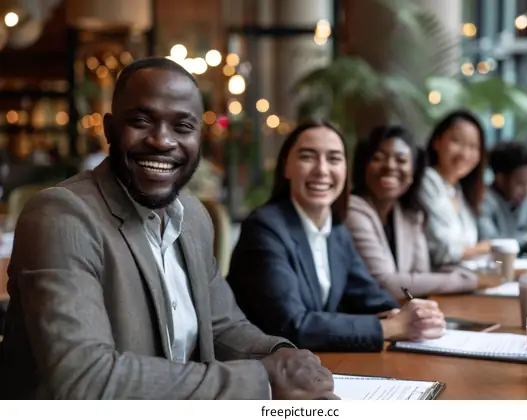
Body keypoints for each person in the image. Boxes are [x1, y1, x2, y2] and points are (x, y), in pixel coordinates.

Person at [0, 58, 337, 400]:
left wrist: (283, 358)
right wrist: (261, 381)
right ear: (110, 130)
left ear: (199, 138)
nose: (162, 141)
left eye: (182, 126)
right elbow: (86, 380)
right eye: (141, 121)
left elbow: (222, 326)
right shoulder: (61, 216)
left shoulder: (193, 216)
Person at [227, 120, 446, 353]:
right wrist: (389, 327)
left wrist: (401, 314)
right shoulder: (264, 229)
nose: (322, 170)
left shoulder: (337, 229)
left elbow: (368, 295)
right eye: (308, 157)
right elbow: (292, 326)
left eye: (334, 159)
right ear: (286, 167)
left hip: (315, 364)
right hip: (261, 370)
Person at [346, 125, 478, 298]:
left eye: (401, 160)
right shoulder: (352, 210)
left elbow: (421, 275)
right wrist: (462, 281)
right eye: (378, 158)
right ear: (363, 166)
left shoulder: (410, 214)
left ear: (413, 173)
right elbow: (385, 284)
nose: (390, 166)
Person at [418, 110, 490, 268]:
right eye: (456, 141)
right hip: (434, 286)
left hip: (463, 283)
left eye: (473, 146)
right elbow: (443, 251)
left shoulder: (458, 190)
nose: (465, 153)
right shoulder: (427, 181)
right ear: (437, 142)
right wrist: (482, 249)